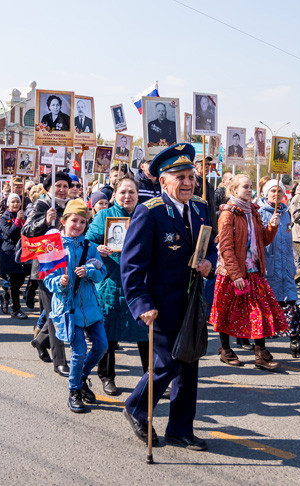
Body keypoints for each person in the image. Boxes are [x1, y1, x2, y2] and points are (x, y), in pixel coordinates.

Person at [121, 143, 217, 451]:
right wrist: (141, 304)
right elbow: (131, 265)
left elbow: (210, 245)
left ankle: (180, 429)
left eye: (191, 176)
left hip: (193, 300)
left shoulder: (201, 207)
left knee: (189, 363)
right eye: (180, 177)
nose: (188, 183)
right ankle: (136, 407)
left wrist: (209, 263)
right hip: (161, 304)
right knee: (167, 362)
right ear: (163, 181)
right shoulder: (149, 214)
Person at [211, 174, 287, 369]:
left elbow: (262, 240)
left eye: (251, 186)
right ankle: (225, 349)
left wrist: (272, 227)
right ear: (234, 190)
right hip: (231, 272)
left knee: (259, 311)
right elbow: (226, 247)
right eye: (245, 187)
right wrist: (235, 274)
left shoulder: (253, 211)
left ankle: (260, 353)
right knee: (226, 312)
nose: (249, 190)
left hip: (253, 269)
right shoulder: (227, 214)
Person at [86, 176, 149, 396]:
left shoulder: (145, 215)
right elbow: (88, 240)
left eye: (131, 192)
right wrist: (98, 248)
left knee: (145, 334)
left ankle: (149, 379)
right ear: (115, 194)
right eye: (123, 192)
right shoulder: (104, 215)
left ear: (137, 194)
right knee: (108, 333)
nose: (127, 196)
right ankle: (107, 377)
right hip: (111, 282)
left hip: (140, 283)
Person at [45, 199, 107, 413]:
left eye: (82, 222)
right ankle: (74, 391)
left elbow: (101, 273)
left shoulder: (90, 247)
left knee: (102, 346)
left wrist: (90, 272)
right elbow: (47, 279)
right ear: (64, 221)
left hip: (91, 308)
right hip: (68, 309)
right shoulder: (53, 246)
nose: (78, 225)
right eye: (74, 220)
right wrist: (59, 283)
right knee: (79, 352)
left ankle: (80, 379)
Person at [257, 179, 300, 358]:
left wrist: (292, 263)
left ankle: (296, 342)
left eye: (279, 191)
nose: (276, 194)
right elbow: (259, 240)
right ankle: (260, 346)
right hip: (269, 268)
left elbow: (288, 240)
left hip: (286, 268)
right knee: (266, 307)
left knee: (291, 306)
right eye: (272, 191)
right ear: (266, 194)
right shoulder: (259, 213)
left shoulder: (286, 213)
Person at [23, 171, 73, 375]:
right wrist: (45, 221)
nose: (62, 189)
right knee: (54, 313)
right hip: (46, 267)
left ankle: (40, 340)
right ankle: (60, 361)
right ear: (49, 188)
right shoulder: (42, 205)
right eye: (58, 185)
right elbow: (27, 230)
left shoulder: (71, 204)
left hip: (66, 265)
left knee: (61, 310)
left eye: (65, 186)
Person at [0, 193, 29, 319]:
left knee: (20, 280)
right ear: (8, 204)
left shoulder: (23, 215)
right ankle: (16, 309)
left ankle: (6, 296)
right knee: (13, 283)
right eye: (13, 202)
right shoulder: (4, 217)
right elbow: (9, 233)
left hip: (22, 252)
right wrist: (17, 221)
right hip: (10, 252)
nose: (16, 204)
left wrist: (24, 221)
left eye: (17, 201)